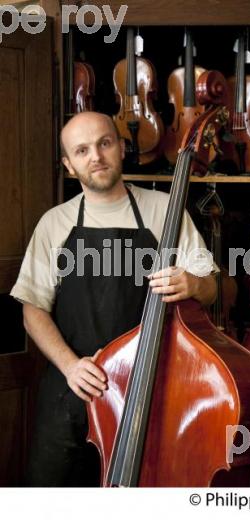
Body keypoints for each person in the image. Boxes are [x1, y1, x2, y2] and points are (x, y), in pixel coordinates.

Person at [10, 111, 217, 486]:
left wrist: (195, 285)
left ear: (121, 148)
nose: (96, 156)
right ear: (69, 165)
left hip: (149, 388)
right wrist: (71, 366)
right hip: (73, 390)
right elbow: (32, 310)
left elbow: (213, 286)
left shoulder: (164, 210)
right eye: (82, 150)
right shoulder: (54, 223)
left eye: (104, 143)